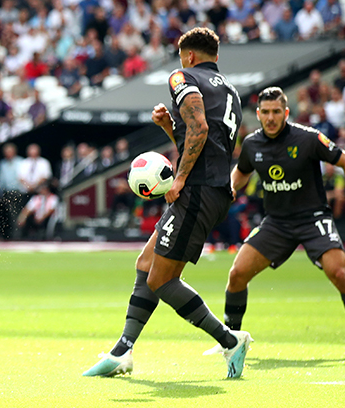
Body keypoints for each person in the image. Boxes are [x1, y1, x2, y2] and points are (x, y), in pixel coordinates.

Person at [83, 27, 252, 379]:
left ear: (188, 56)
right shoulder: (231, 90)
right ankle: (123, 351)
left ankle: (229, 340)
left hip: (197, 191)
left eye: (180, 58)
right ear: (214, 56)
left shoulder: (182, 76)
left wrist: (178, 178)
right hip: (213, 189)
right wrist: (168, 126)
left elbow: (201, 130)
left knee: (161, 279)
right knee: (146, 263)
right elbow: (210, 140)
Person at [206, 87, 345, 358]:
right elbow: (242, 172)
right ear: (258, 114)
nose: (270, 117)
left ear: (286, 113)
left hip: (313, 218)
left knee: (339, 273)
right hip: (276, 223)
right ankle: (229, 341)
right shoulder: (253, 144)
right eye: (265, 112)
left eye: (276, 111)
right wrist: (231, 187)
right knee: (237, 274)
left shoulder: (308, 138)